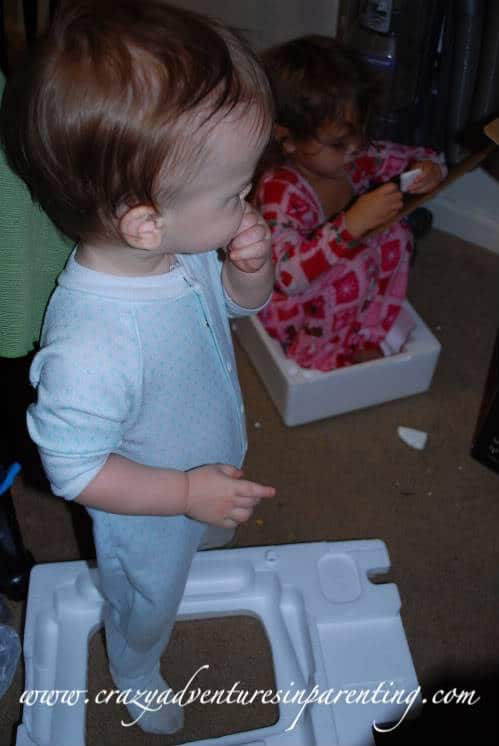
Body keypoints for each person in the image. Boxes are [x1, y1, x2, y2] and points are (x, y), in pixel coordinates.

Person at [0, 0, 276, 735]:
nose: (250, 200)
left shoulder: (175, 250)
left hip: (201, 459)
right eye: (236, 191)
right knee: (147, 598)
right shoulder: (91, 343)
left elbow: (233, 310)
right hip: (145, 509)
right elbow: (73, 470)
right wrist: (183, 493)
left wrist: (251, 270)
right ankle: (134, 664)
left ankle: (203, 525)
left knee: (208, 530)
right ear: (145, 221)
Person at [254, 35, 447, 371]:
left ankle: (365, 337)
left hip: (340, 299)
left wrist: (429, 170)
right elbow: (287, 276)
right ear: (287, 141)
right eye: (339, 142)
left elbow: (420, 158)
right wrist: (350, 225)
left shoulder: (355, 157)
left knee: (396, 234)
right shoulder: (280, 190)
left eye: (359, 131)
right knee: (355, 263)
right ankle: (317, 354)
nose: (356, 147)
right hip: (291, 311)